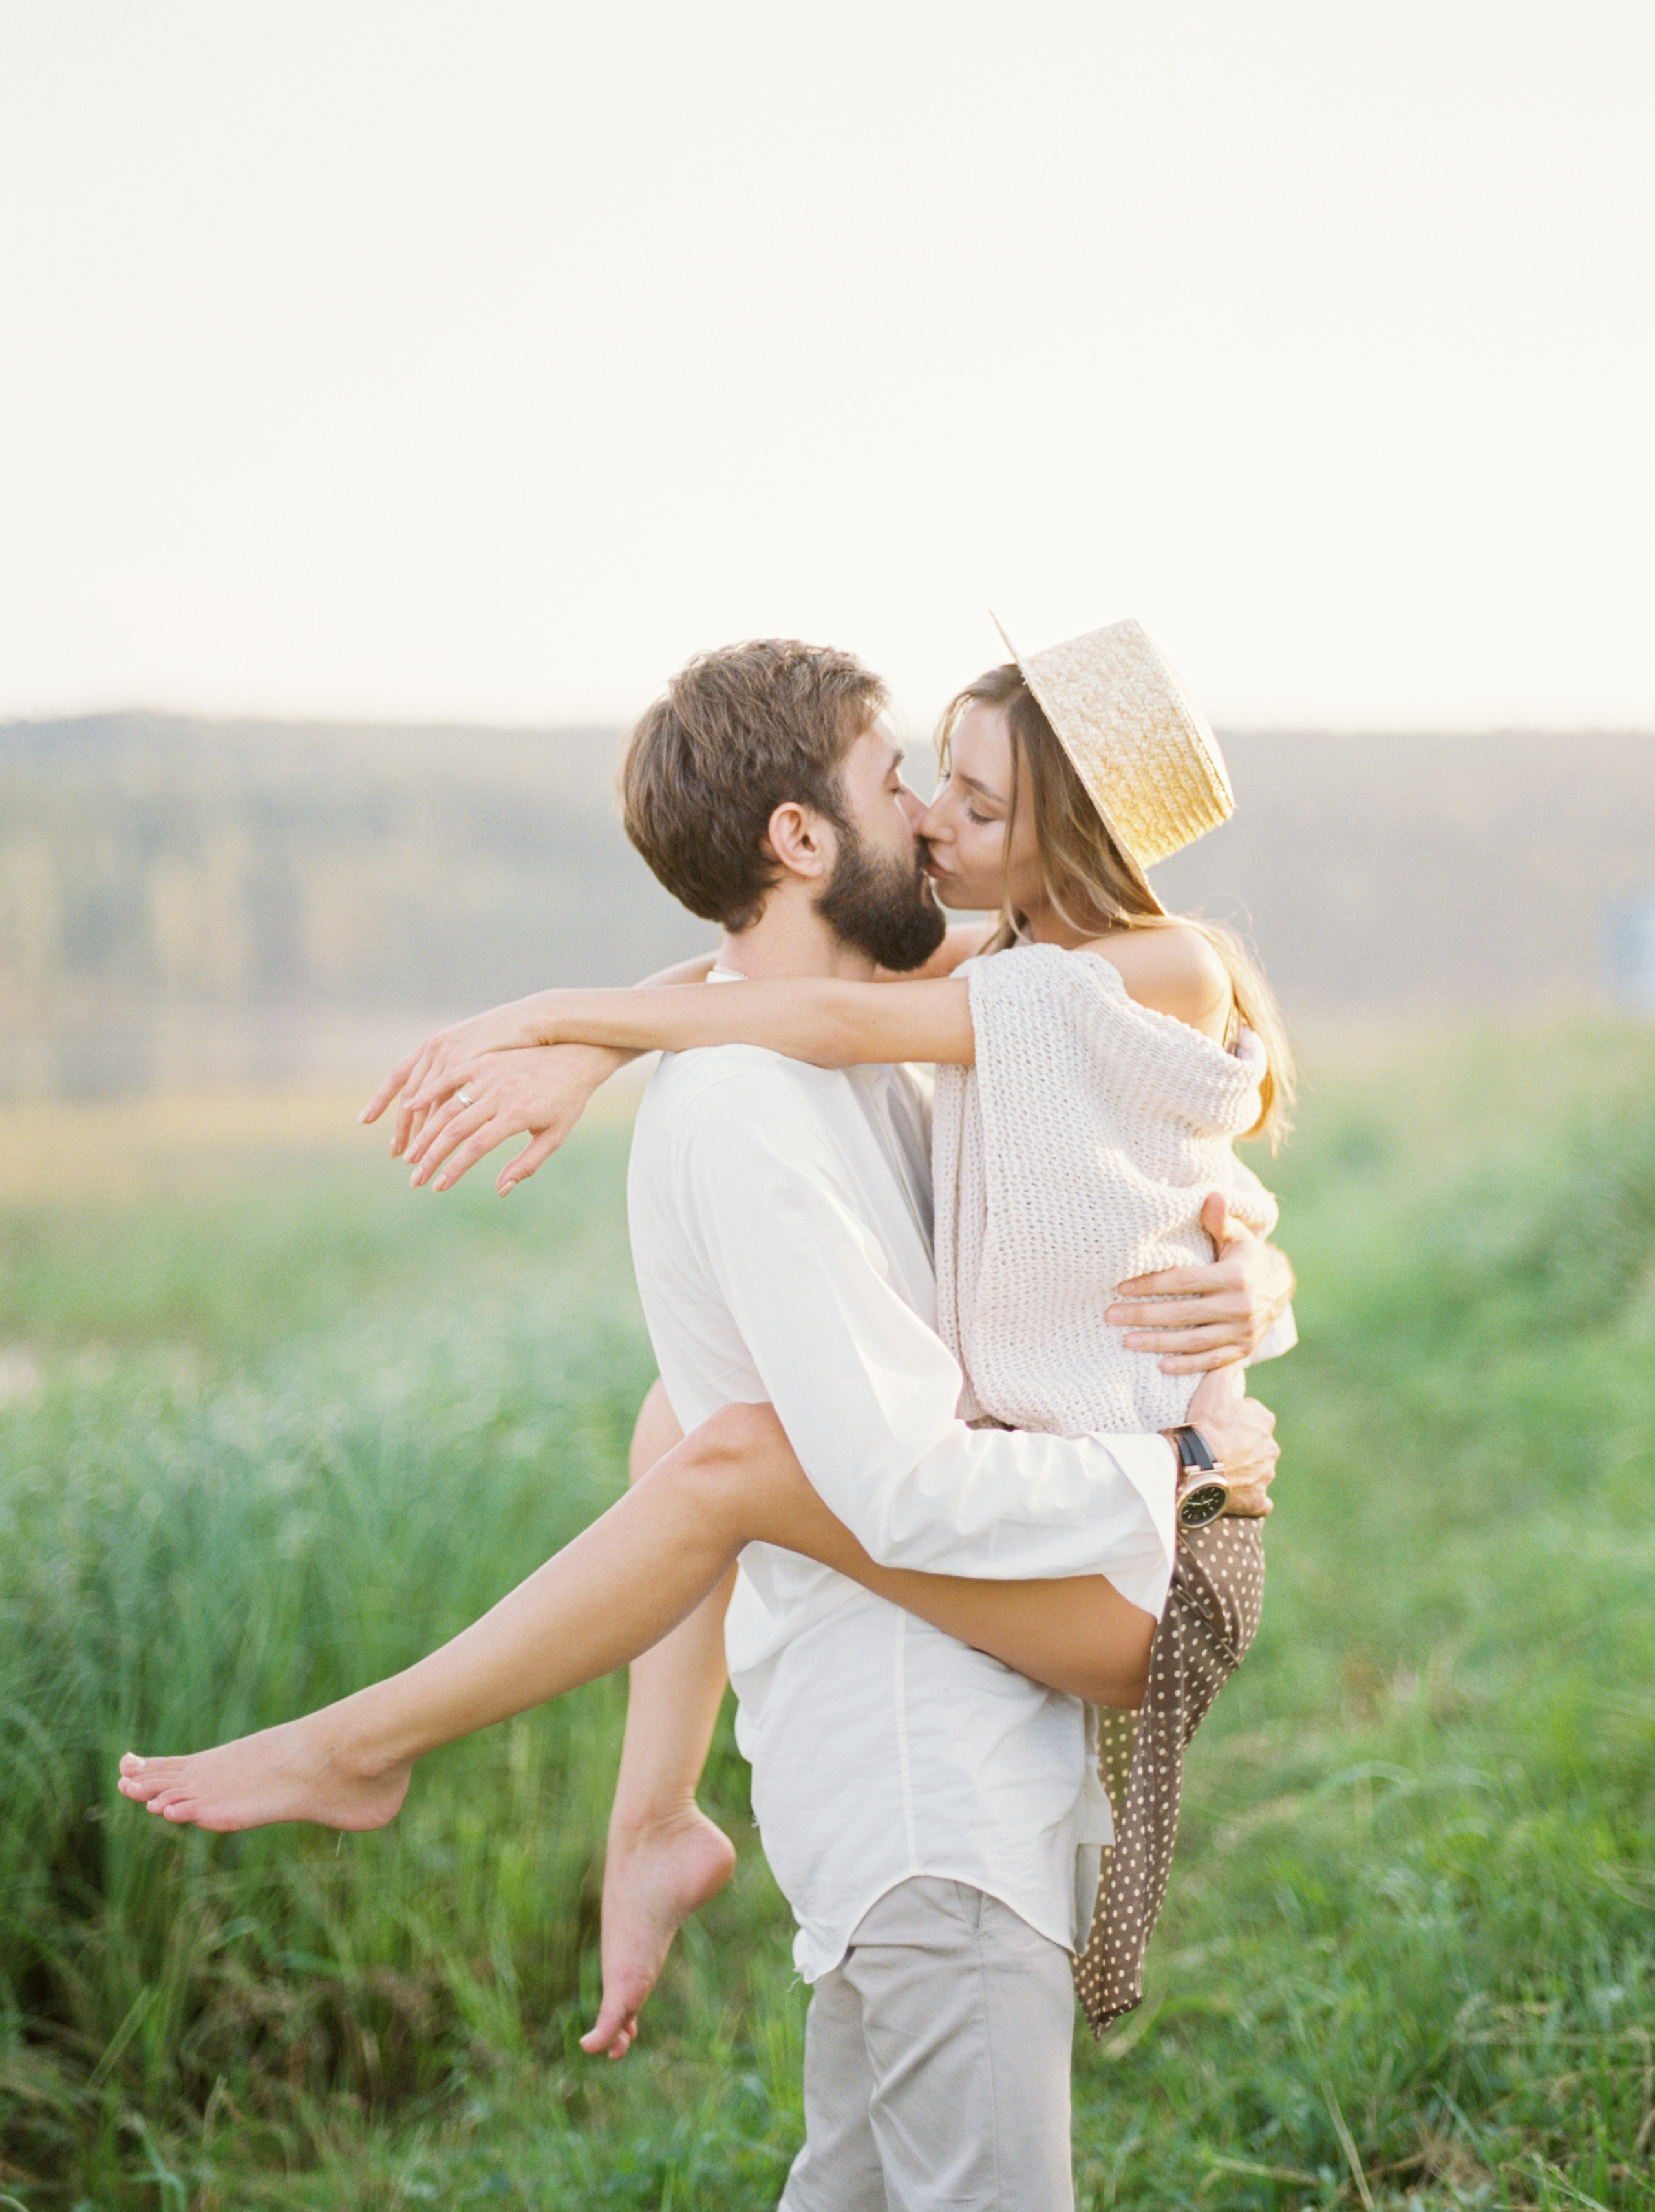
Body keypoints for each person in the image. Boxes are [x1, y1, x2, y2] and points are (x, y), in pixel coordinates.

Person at [121, 625, 1293, 2211]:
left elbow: (828, 1016)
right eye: (912, 782)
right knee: (706, 1442)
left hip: (1066, 1648)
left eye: (961, 793)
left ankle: (416, 1756)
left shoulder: (1053, 990)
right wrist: (1171, 1461)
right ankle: (392, 1748)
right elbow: (786, 1020)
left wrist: (568, 1025)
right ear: (803, 838)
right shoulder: (830, 1063)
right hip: (941, 1767)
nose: (933, 818)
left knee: (709, 1446)